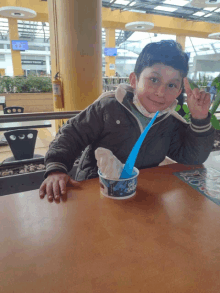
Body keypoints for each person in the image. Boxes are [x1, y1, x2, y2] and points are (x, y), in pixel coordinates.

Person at [39, 40, 215, 202]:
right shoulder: (107, 108)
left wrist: (199, 118)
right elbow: (72, 134)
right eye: (154, 80)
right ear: (134, 80)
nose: (161, 92)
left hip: (140, 193)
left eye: (171, 85)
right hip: (96, 190)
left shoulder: (170, 121)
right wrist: (56, 169)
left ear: (178, 92)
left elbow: (192, 157)